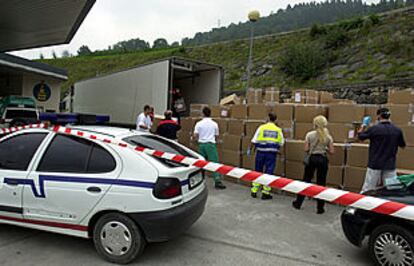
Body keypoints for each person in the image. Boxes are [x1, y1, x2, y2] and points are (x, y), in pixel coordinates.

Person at [357, 107, 406, 193]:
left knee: (368, 188)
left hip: (375, 163)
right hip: (390, 163)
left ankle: (362, 205)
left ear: (379, 116)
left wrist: (363, 125)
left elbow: (360, 137)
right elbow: (402, 145)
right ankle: (391, 205)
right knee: (392, 189)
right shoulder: (397, 130)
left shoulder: (374, 129)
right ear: (389, 116)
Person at [292, 115, 334, 214]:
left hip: (312, 159)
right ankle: (320, 208)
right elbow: (332, 151)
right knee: (321, 184)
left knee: (306, 181)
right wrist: (325, 148)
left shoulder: (309, 134)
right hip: (323, 159)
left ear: (314, 124)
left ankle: (298, 203)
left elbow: (306, 149)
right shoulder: (328, 137)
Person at [249, 112, 284, 200]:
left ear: (267, 118)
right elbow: (281, 143)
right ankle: (265, 193)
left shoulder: (261, 128)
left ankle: (254, 190)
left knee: (258, 171)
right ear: (275, 120)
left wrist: (250, 149)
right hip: (271, 154)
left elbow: (254, 140)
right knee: (269, 173)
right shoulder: (278, 130)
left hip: (260, 152)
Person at [193, 107, 226, 189]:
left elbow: (195, 135)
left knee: (201, 164)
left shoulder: (199, 123)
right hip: (211, 145)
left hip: (201, 145)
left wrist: (198, 140)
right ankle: (217, 181)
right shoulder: (214, 124)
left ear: (203, 113)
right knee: (214, 163)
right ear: (210, 113)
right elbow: (216, 135)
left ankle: (199, 180)